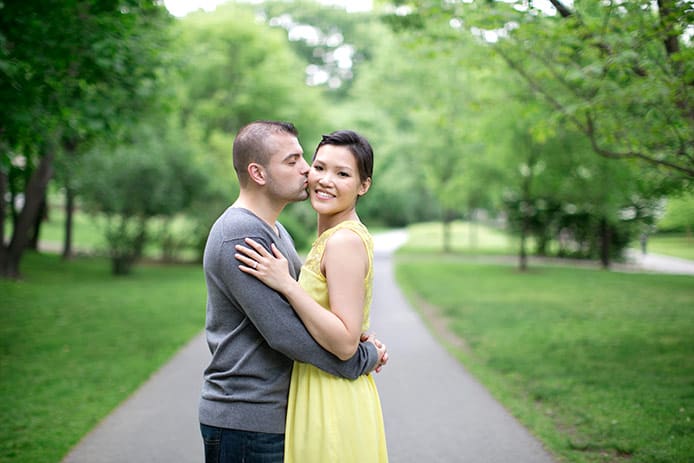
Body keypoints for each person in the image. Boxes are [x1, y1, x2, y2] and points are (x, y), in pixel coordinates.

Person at [199, 121, 387, 463]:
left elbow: (318, 312)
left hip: (278, 413)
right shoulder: (240, 234)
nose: (308, 172)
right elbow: (287, 334)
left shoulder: (277, 231)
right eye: (295, 161)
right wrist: (363, 358)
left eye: (306, 160)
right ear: (258, 173)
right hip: (247, 415)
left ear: (364, 185)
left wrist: (356, 337)